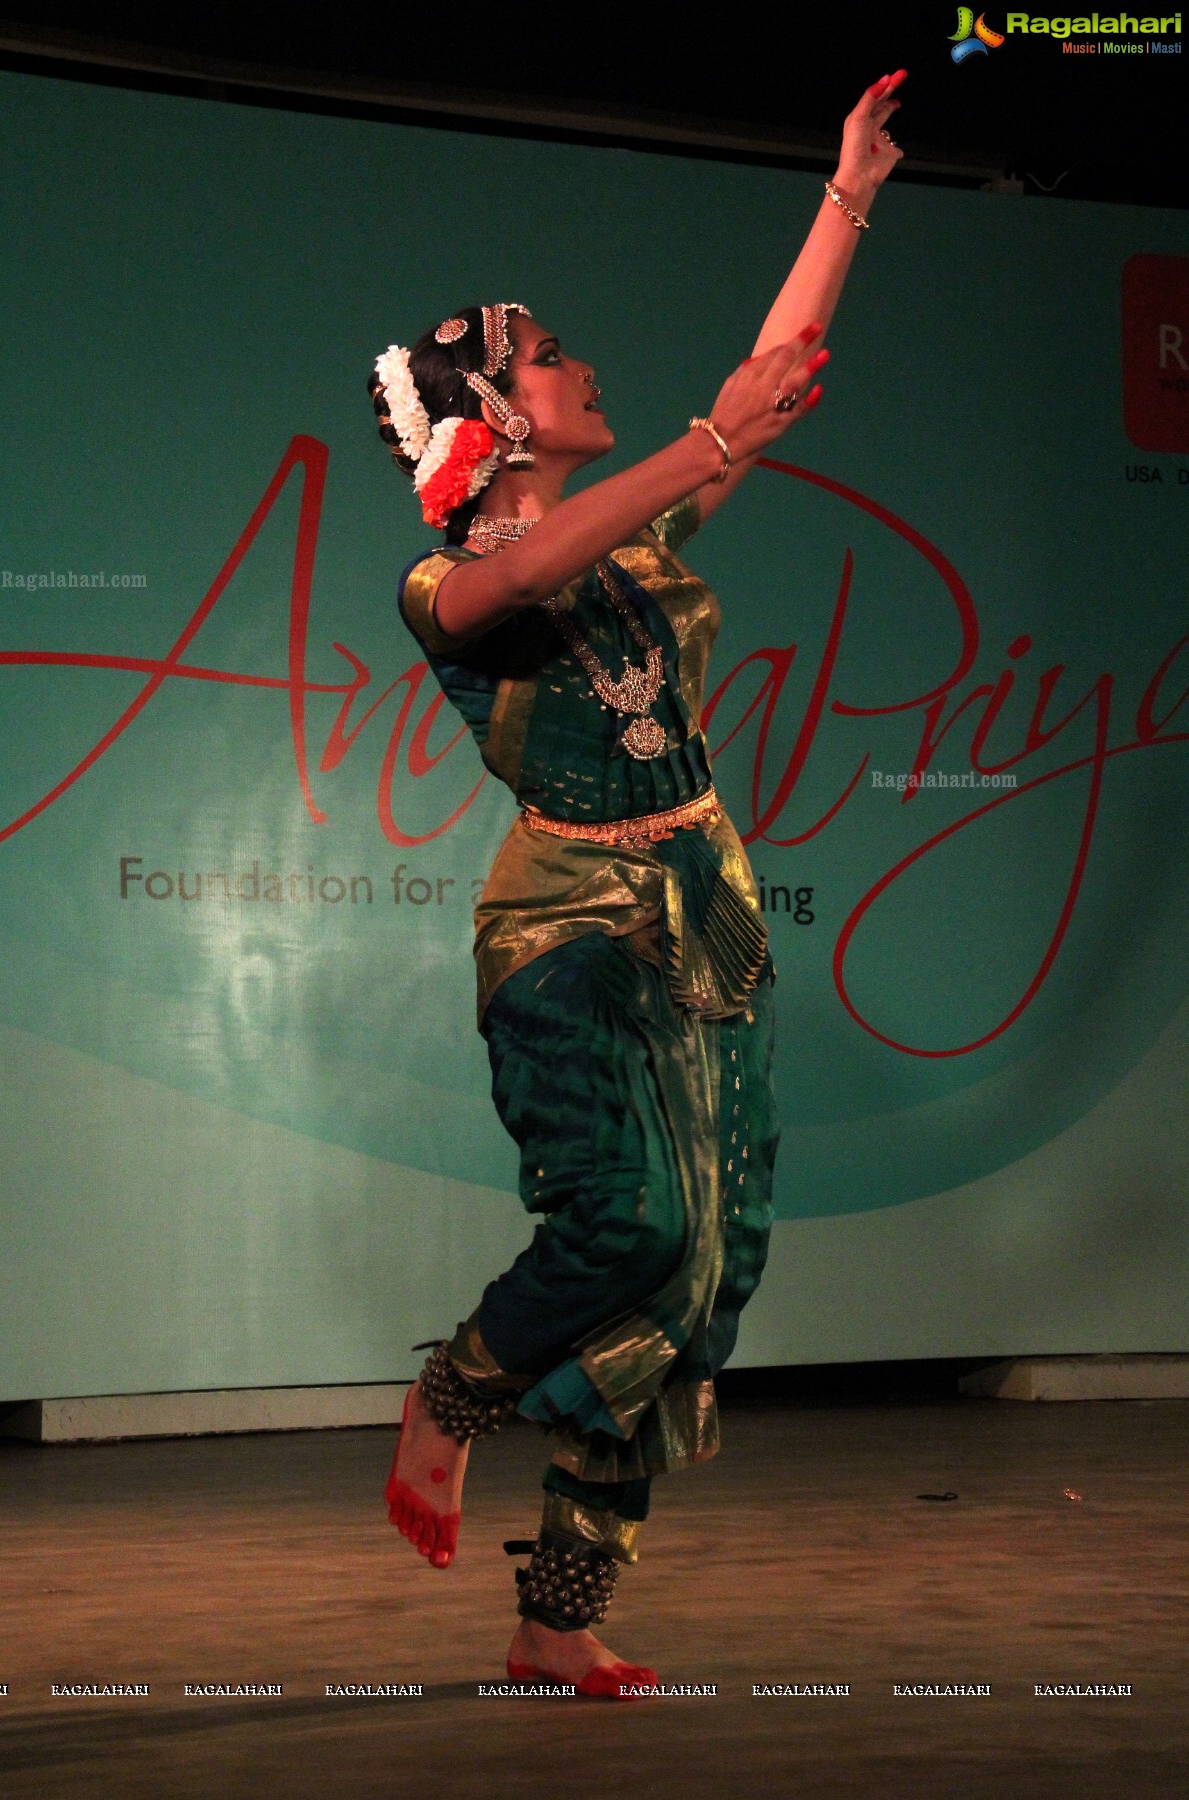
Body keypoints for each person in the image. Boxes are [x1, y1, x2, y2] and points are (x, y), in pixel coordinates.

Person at [371, 73, 906, 1699]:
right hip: (569, 936)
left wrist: (848, 196)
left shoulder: (639, 542)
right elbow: (528, 566)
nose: (582, 359)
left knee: (711, 1261)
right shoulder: (450, 579)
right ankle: (454, 1393)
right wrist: (706, 439)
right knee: (633, 1221)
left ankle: (559, 1614)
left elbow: (763, 381)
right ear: (504, 415)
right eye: (548, 354)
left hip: (705, 905)